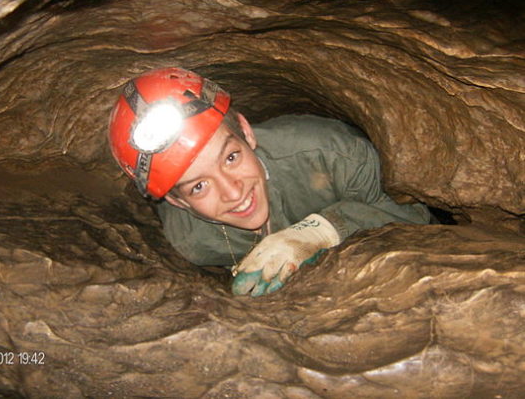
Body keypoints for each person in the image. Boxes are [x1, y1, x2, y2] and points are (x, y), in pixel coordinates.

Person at [108, 67, 430, 297]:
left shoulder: (334, 155)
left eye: (231, 157)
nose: (234, 192)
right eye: (198, 187)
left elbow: (416, 216)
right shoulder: (194, 243)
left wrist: (319, 232)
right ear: (177, 202)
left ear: (246, 133)